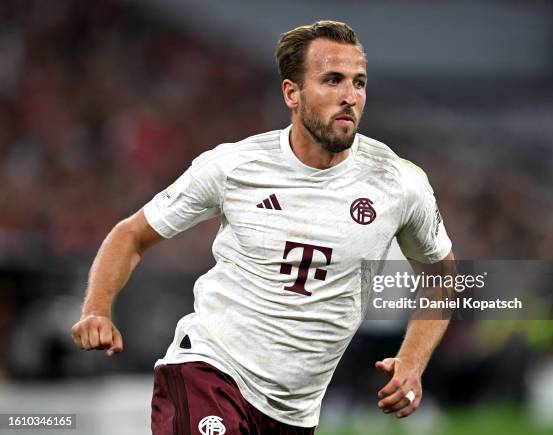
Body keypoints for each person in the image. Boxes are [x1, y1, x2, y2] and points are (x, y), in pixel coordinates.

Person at [71, 20, 454, 434]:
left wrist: (413, 361)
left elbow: (442, 273)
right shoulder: (234, 166)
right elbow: (131, 235)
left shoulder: (399, 183)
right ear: (292, 93)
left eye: (358, 83)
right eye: (332, 80)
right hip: (210, 372)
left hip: (294, 413)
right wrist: (96, 309)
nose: (349, 97)